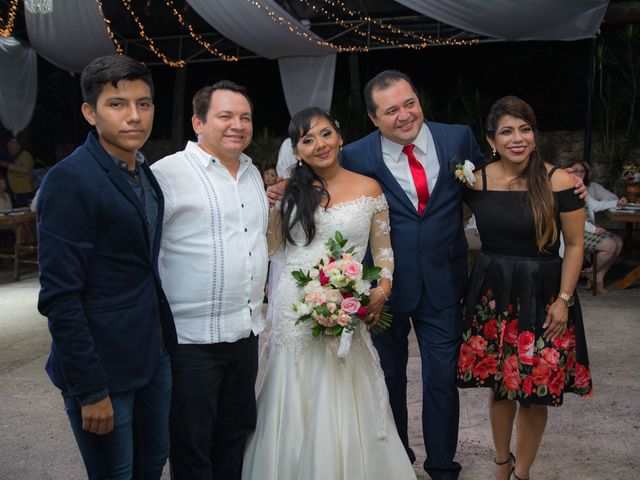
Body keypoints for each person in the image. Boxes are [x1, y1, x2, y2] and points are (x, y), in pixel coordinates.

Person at [242, 107, 416, 480]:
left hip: (347, 301)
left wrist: (381, 289)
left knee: (343, 384)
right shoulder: (291, 192)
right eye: (307, 140)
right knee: (293, 387)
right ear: (297, 151)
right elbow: (273, 248)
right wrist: (273, 205)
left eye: (324, 134)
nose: (319, 144)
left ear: (339, 137)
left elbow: (384, 253)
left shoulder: (369, 187)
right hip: (294, 306)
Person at [36, 54, 177, 479]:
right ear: (89, 111)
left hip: (151, 356)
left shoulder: (143, 171)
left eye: (145, 103)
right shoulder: (70, 179)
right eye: (117, 104)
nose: (134, 116)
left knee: (151, 466)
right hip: (102, 370)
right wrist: (90, 390)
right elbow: (61, 296)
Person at [457, 96, 593, 480]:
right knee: (500, 387)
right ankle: (503, 463)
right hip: (492, 293)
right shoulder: (475, 181)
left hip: (545, 293)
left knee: (535, 391)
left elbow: (577, 246)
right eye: (506, 131)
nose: (517, 138)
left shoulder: (560, 180)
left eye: (525, 129)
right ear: (491, 140)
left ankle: (524, 472)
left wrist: (564, 301)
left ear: (535, 134)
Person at [151, 81, 268, 480]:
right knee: (191, 443)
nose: (238, 125)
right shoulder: (166, 174)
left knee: (235, 433)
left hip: (245, 333)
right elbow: (144, 252)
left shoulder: (253, 173)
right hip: (191, 341)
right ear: (198, 122)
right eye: (226, 116)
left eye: (245, 117)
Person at [570, 161, 625, 293]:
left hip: (588, 227)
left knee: (619, 241)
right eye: (575, 170)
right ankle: (591, 272)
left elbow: (595, 205)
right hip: (575, 229)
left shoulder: (581, 187)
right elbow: (573, 217)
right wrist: (594, 229)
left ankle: (597, 276)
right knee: (610, 245)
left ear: (586, 174)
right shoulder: (565, 188)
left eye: (581, 171)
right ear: (569, 172)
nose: (578, 173)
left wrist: (617, 202)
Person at [0, 138, 34, 207]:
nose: (11, 150)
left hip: (24, 190)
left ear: (19, 146)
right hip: (16, 191)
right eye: (9, 148)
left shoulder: (25, 155)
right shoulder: (14, 157)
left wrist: (8, 165)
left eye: (13, 148)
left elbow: (27, 169)